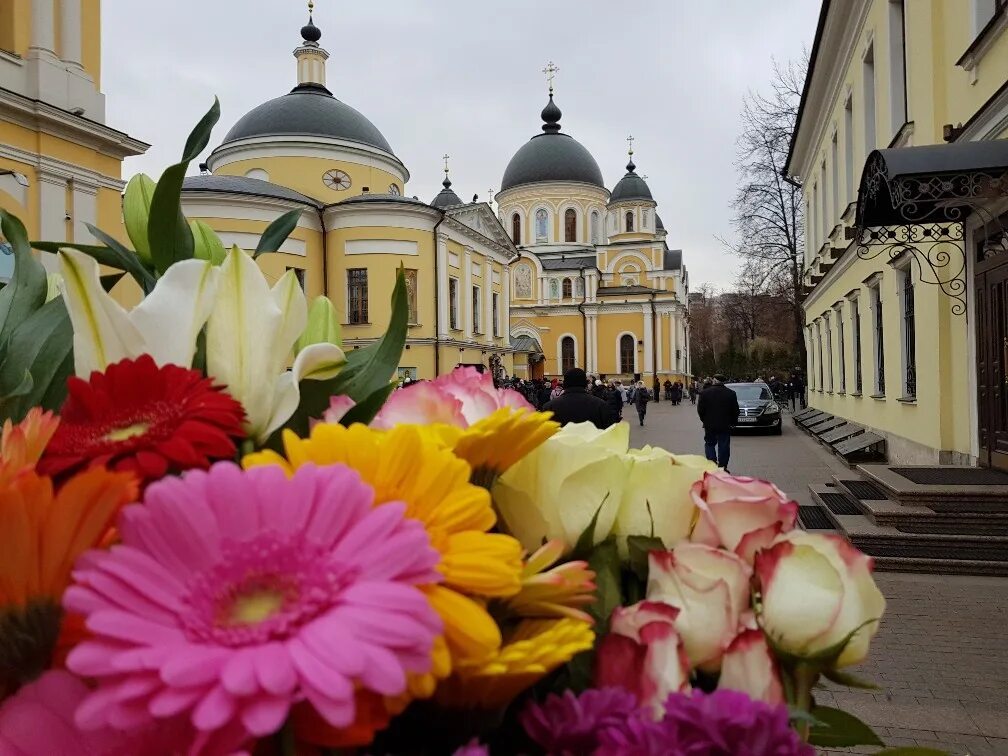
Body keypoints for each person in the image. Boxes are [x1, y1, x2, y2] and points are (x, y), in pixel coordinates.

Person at [543, 368, 617, 428]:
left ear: (564, 384)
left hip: (559, 446)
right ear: (585, 383)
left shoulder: (549, 407)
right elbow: (610, 433)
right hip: (592, 445)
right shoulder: (601, 405)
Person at [697, 373, 739, 472]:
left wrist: (704, 420)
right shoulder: (731, 393)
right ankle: (723, 467)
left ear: (714, 381)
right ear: (723, 381)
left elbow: (700, 410)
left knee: (709, 444)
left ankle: (712, 464)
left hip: (709, 424)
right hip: (725, 424)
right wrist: (733, 422)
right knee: (724, 445)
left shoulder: (705, 393)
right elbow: (735, 410)